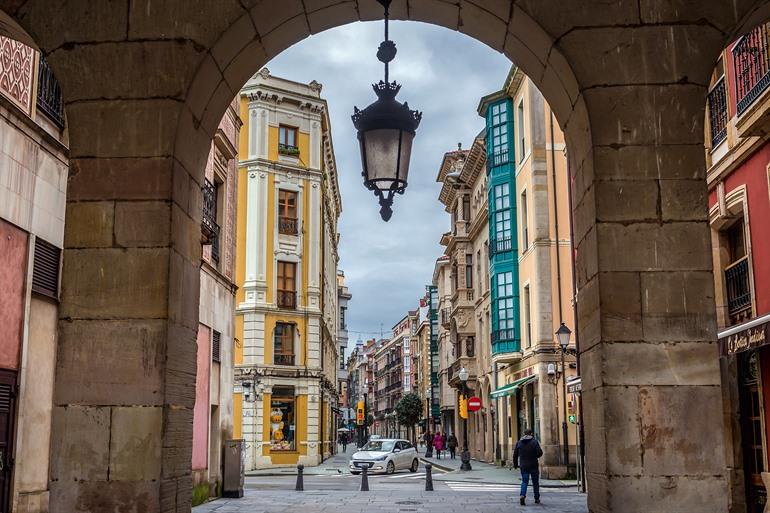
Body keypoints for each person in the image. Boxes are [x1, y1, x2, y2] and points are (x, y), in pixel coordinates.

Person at [513, 429, 544, 506]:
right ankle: (536, 498)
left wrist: (515, 465)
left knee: (524, 481)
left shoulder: (519, 442)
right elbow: (540, 453)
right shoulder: (534, 442)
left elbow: (515, 455)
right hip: (533, 465)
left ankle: (522, 495)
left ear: (524, 434)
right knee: (535, 482)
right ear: (531, 434)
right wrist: (535, 456)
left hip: (523, 465)